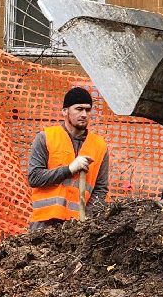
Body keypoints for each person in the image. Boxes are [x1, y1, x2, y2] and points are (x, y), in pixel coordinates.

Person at [27, 86, 109, 231]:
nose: (84, 114)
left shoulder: (100, 146)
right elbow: (34, 177)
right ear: (65, 111)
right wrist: (70, 169)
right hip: (44, 225)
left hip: (78, 228)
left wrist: (87, 219)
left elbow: (100, 189)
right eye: (79, 109)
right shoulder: (46, 138)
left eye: (88, 110)